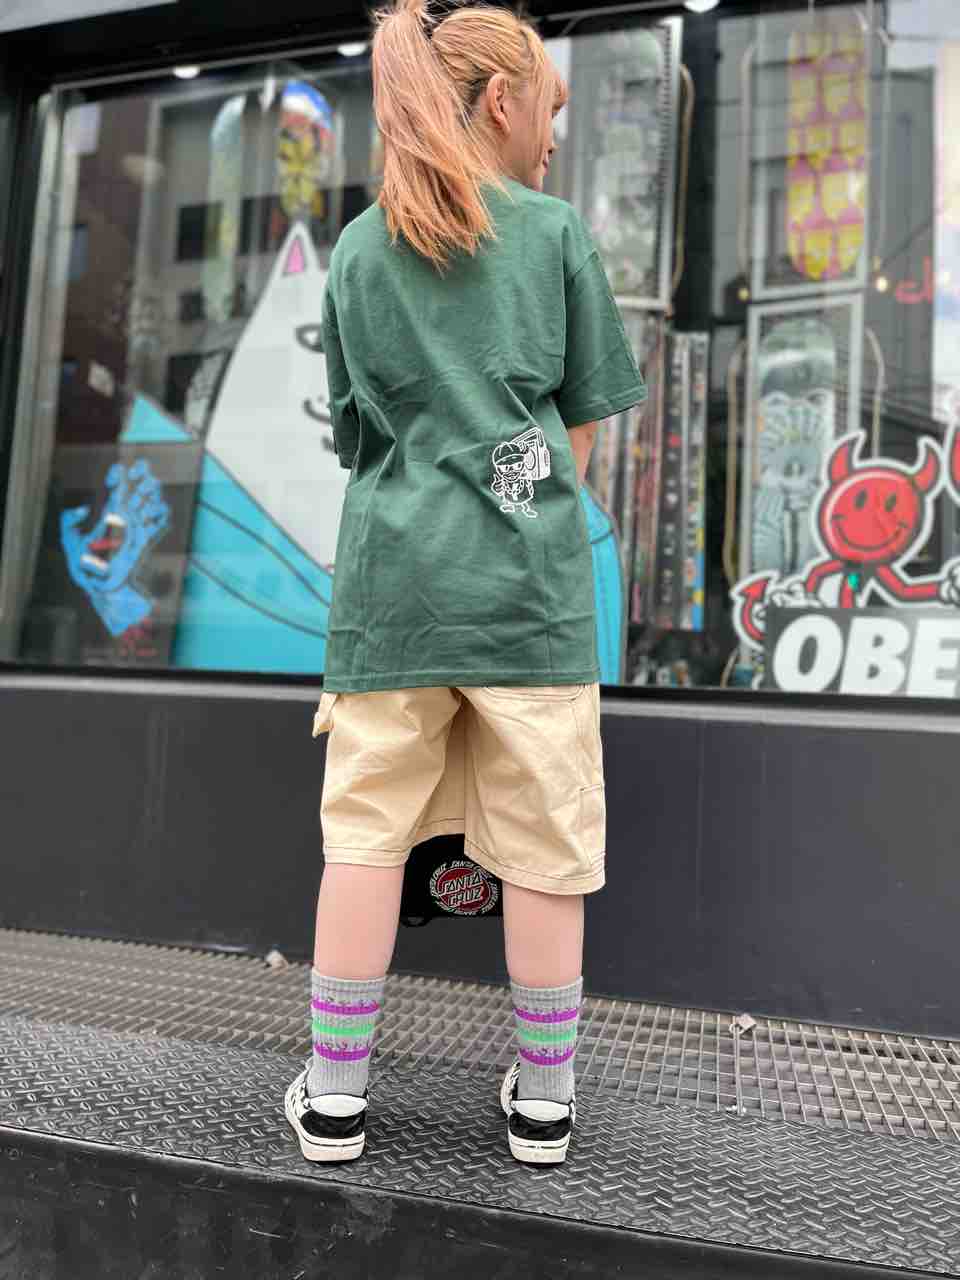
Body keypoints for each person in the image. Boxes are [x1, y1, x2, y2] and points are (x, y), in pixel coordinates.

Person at [283, 0, 646, 1167]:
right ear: (501, 101)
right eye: (551, 107)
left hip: (392, 595)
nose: (555, 133)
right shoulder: (554, 234)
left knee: (364, 838)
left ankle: (335, 1098)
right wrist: (518, 499)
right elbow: (578, 433)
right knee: (545, 848)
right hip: (529, 599)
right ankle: (544, 1103)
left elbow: (357, 438)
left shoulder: (357, 247)